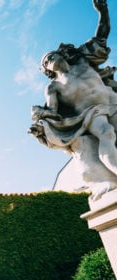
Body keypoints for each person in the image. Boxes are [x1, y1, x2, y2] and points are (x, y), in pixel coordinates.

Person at [29, 0, 117, 201]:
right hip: (92, 113)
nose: (50, 61)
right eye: (46, 63)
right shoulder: (53, 87)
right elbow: (53, 111)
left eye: (51, 56)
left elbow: (101, 36)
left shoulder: (82, 62)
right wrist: (41, 118)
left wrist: (103, 11)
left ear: (61, 54)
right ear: (47, 71)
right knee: (106, 134)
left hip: (113, 101)